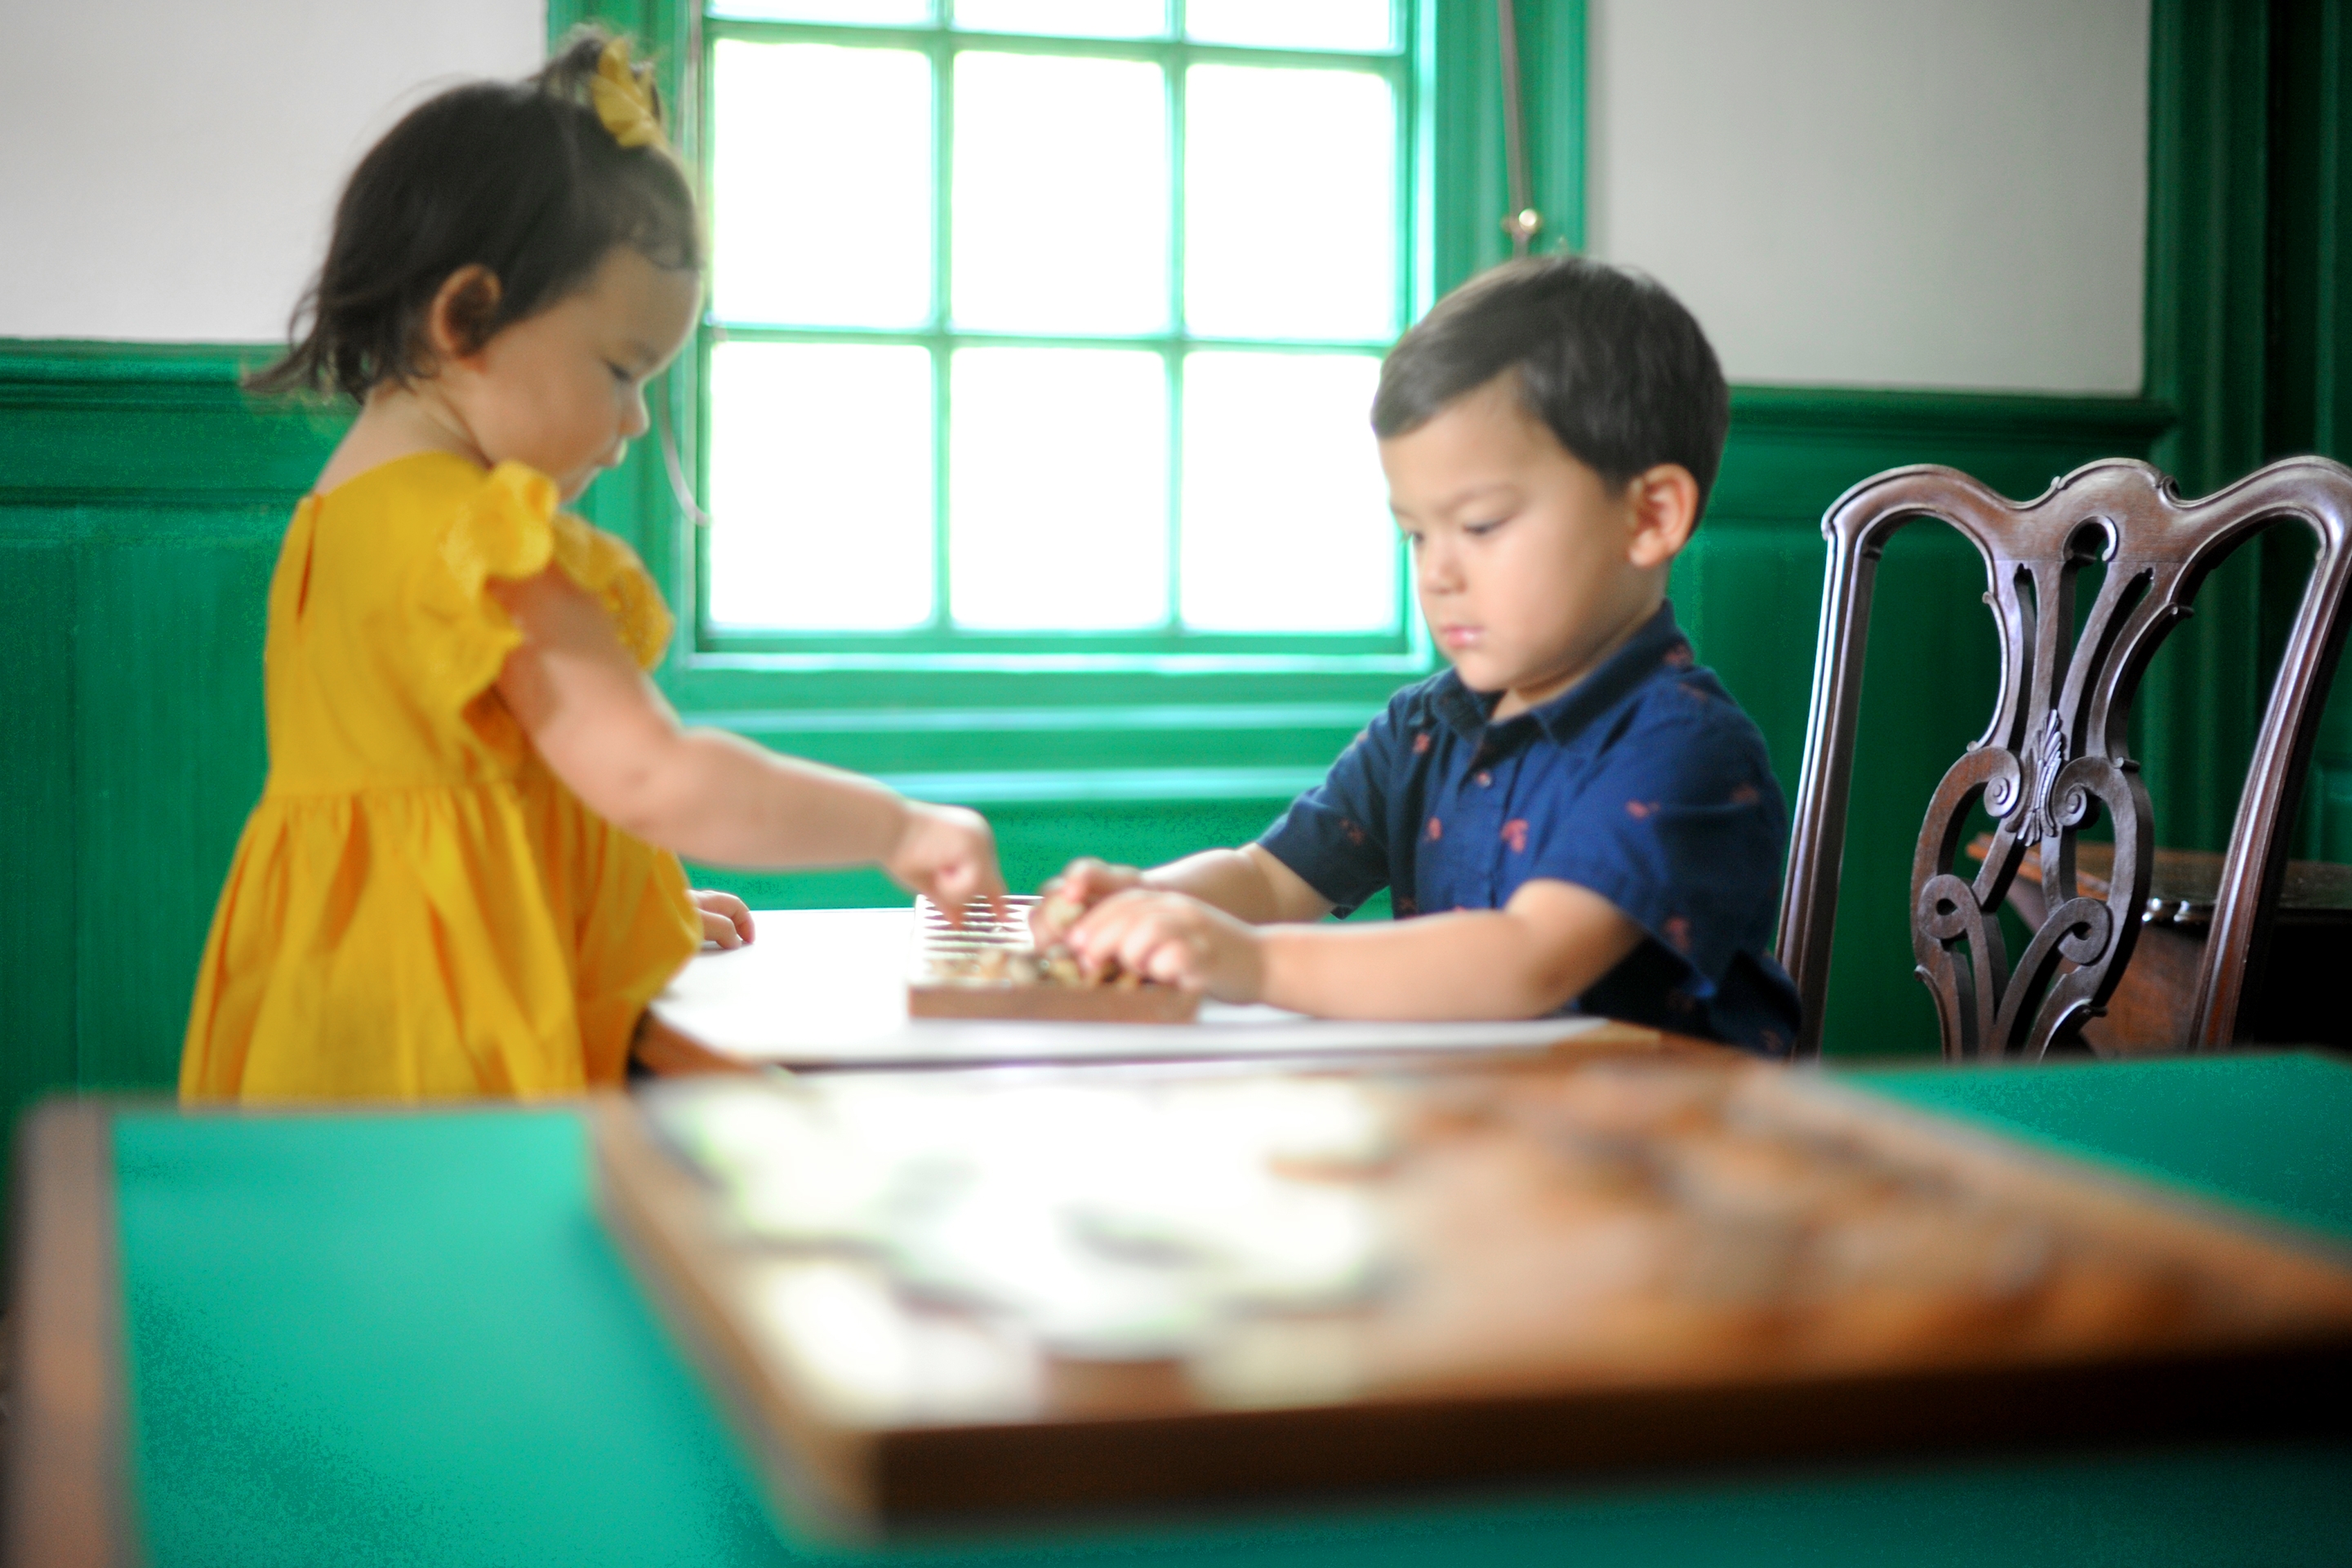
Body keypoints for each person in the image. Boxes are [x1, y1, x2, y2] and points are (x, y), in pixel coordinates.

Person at [182, 32, 1003, 1100]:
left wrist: (634, 902)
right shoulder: (489, 540)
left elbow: (482, 786)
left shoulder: (337, 518)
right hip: (460, 1036)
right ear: (467, 316)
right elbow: (653, 779)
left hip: (333, 1018)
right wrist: (903, 827)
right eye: (622, 371)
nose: (630, 423)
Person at [1036, 256, 1800, 1056]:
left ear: (1648, 516)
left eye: (1480, 526)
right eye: (1416, 533)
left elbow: (1528, 961)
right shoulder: (1427, 727)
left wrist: (1254, 962)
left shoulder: (1680, 747)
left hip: (1663, 1159)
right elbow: (1266, 878)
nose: (1436, 572)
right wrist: (1146, 904)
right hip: (1475, 1132)